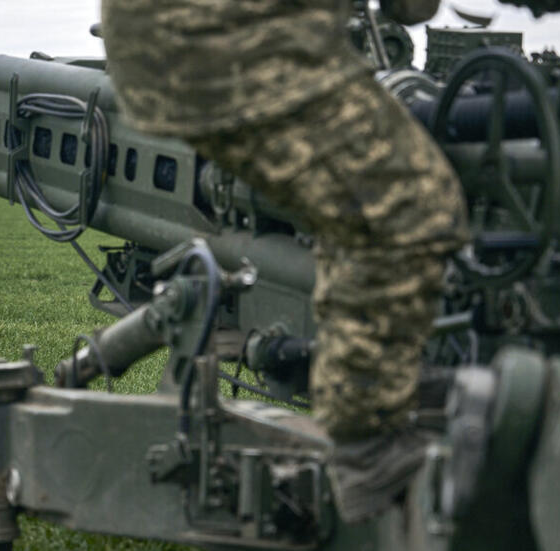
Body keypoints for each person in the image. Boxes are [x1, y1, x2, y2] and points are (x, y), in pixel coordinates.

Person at [101, 0, 469, 522]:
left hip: (205, 37)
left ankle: (385, 381)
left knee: (370, 204)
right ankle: (368, 448)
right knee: (405, 202)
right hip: (227, 42)